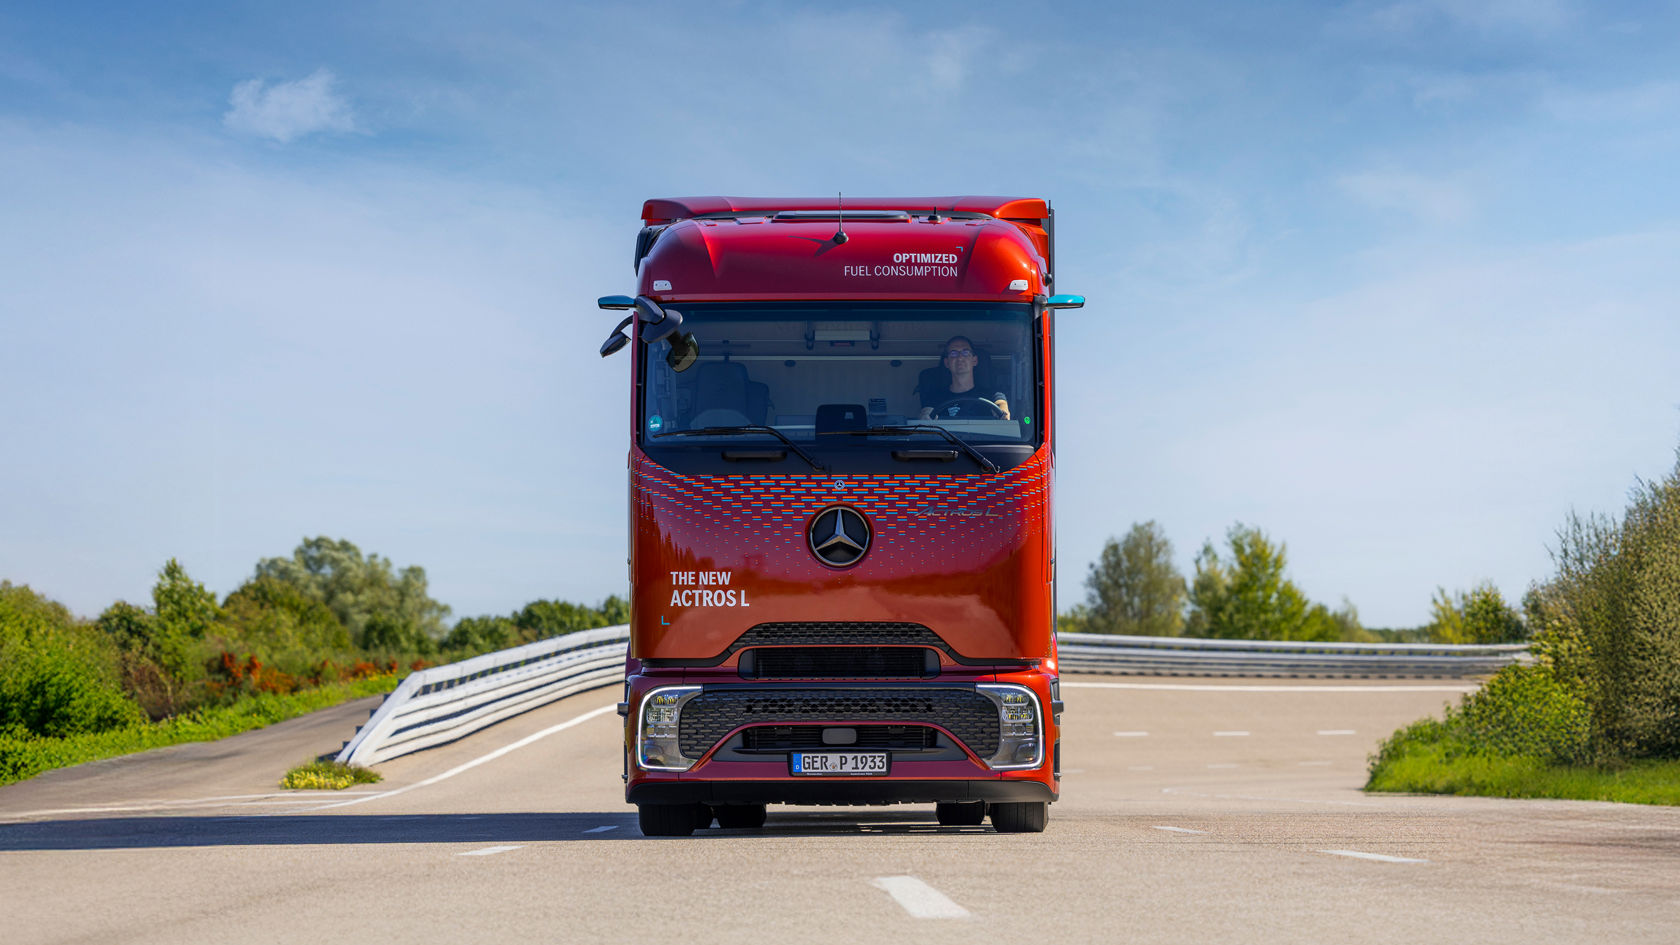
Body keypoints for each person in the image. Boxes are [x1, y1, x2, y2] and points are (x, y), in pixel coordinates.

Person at [917, 335, 1010, 420]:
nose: (960, 358)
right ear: (947, 363)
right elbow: (927, 411)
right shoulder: (936, 398)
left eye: (965, 352)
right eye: (954, 353)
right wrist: (926, 415)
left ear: (974, 360)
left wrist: (1003, 410)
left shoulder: (991, 395)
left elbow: (1001, 404)